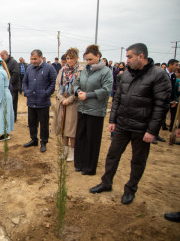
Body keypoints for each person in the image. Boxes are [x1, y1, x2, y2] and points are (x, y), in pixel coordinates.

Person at [89, 43, 171, 205]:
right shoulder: (126, 75)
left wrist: (152, 131)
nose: (126, 60)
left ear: (141, 56)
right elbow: (117, 99)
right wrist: (113, 120)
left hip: (142, 128)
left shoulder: (158, 75)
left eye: (129, 57)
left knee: (137, 160)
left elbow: (161, 105)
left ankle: (130, 189)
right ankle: (106, 182)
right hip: (122, 125)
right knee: (112, 155)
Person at [73, 45, 113, 175]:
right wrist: (78, 91)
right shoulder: (85, 70)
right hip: (82, 109)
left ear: (98, 56)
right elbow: (77, 84)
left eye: (90, 59)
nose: (88, 62)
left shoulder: (106, 72)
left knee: (92, 140)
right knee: (80, 137)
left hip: (95, 111)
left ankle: (89, 168)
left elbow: (106, 90)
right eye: (87, 59)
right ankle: (79, 163)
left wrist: (88, 95)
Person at [23, 49, 56, 152]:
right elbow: (24, 82)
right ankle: (34, 139)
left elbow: (53, 82)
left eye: (35, 59)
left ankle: (43, 142)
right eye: (32, 59)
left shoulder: (49, 68)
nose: (33, 61)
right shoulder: (29, 68)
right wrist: (27, 91)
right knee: (32, 122)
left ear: (41, 57)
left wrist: (46, 93)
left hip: (43, 102)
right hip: (31, 101)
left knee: (44, 123)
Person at [52, 48, 81, 161]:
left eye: (71, 58)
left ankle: (72, 153)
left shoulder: (80, 71)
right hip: (61, 103)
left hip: (73, 104)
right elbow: (57, 86)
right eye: (67, 58)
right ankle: (65, 151)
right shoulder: (62, 70)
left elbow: (80, 88)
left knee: (71, 129)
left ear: (77, 58)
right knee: (63, 128)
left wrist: (69, 99)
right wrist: (60, 98)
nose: (69, 60)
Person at [0, 50, 20, 122]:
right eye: (1, 56)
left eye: (2, 56)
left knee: (13, 102)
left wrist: (9, 84)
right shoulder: (5, 63)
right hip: (7, 87)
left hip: (13, 87)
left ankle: (13, 118)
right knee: (8, 102)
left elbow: (15, 74)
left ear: (6, 54)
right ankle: (9, 116)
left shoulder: (13, 62)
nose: (1, 57)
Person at [166, 59, 179, 132]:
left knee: (173, 113)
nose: (177, 67)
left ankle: (171, 127)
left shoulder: (173, 76)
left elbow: (172, 89)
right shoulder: (163, 73)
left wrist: (173, 100)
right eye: (176, 65)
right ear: (170, 65)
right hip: (161, 98)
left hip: (170, 98)